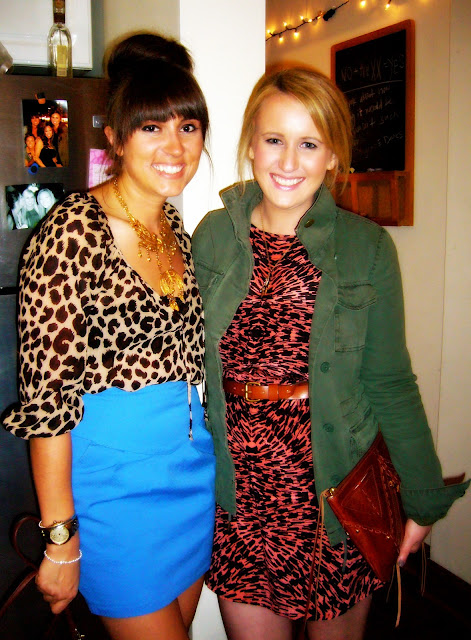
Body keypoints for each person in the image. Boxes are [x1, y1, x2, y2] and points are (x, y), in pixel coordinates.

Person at [192, 67, 469, 640]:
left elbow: (391, 381)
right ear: (251, 144)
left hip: (332, 498)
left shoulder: (367, 248)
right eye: (275, 139)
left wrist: (422, 500)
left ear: (333, 156)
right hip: (242, 497)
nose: (288, 161)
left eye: (309, 144)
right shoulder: (212, 237)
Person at [3, 32, 215, 640]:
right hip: (114, 494)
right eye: (152, 128)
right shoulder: (71, 233)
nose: (175, 147)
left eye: (188, 126)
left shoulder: (175, 229)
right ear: (117, 137)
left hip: (189, 476)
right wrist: (60, 538)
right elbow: (46, 404)